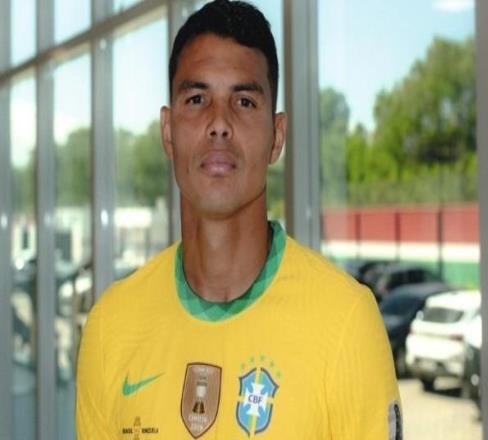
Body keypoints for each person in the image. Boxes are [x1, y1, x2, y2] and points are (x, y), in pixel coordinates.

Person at [76, 1, 401, 439]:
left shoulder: (346, 322)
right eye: (197, 99)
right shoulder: (110, 328)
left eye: (244, 101)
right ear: (168, 132)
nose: (219, 123)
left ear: (277, 136)